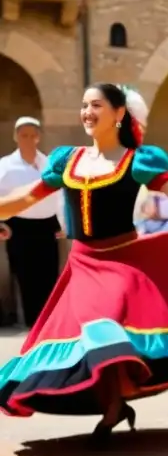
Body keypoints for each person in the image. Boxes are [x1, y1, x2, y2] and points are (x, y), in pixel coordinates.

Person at [0, 84, 168, 440]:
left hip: (123, 262)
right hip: (82, 265)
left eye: (96, 105)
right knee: (88, 337)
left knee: (105, 327)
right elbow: (24, 197)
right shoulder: (67, 160)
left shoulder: (136, 160)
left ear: (118, 113)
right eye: (84, 105)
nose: (87, 112)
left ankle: (114, 406)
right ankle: (114, 404)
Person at [0, 117, 65, 327]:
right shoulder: (5, 166)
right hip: (18, 227)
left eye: (32, 135)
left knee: (48, 277)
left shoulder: (48, 164)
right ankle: (31, 325)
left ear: (38, 137)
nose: (28, 139)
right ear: (15, 137)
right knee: (25, 278)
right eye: (23, 135)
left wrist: (65, 225)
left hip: (47, 227)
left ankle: (48, 326)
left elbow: (61, 196)